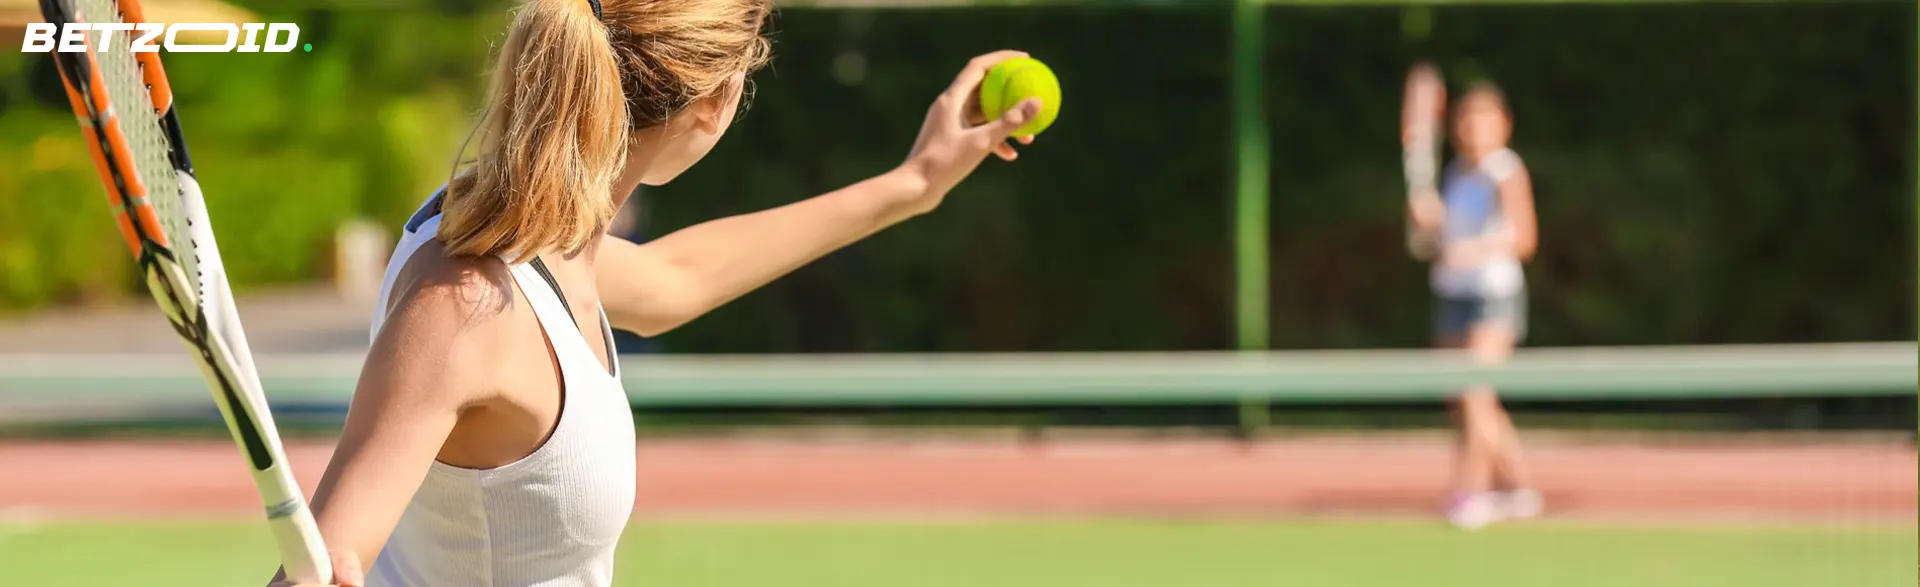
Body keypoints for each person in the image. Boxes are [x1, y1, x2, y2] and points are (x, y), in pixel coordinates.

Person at [266, 0, 1044, 583]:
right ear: (716, 102)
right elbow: (328, 555)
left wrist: (916, 184)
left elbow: (677, 278)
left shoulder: (531, 237)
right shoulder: (468, 301)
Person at [1404, 80, 1543, 530]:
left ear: (1504, 126)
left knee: (1476, 393)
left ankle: (1472, 492)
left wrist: (1472, 249)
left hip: (1494, 298)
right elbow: (1432, 242)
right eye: (1465, 119)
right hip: (1452, 295)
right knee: (1461, 399)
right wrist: (1427, 221)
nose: (1472, 128)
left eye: (1483, 119)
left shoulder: (1506, 172)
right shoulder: (1453, 175)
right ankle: (1520, 488)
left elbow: (1524, 239)